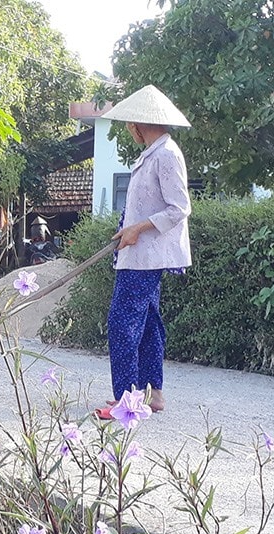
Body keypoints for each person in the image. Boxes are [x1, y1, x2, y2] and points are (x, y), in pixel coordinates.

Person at [94, 85, 192, 419]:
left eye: (128, 124)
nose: (127, 129)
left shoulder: (165, 154)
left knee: (122, 324)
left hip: (146, 256)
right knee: (148, 324)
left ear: (138, 124)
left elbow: (179, 208)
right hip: (141, 254)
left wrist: (137, 228)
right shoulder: (153, 153)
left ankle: (126, 400)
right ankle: (154, 394)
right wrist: (130, 227)